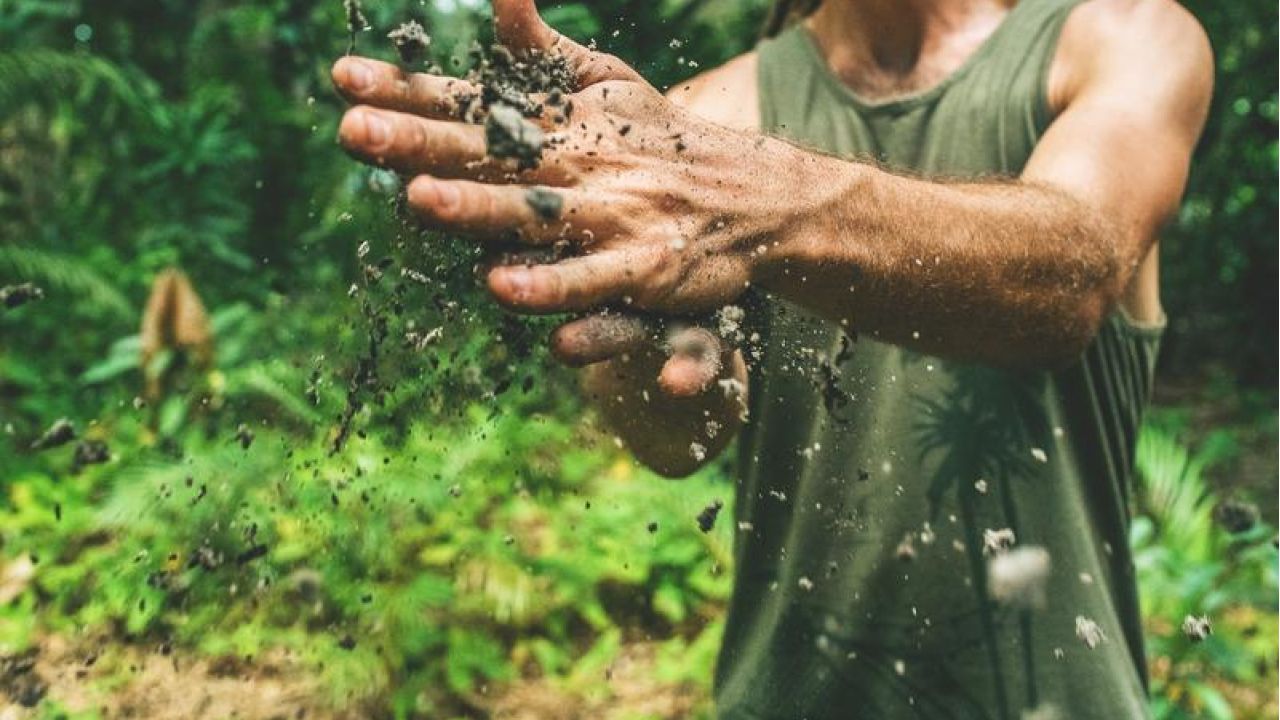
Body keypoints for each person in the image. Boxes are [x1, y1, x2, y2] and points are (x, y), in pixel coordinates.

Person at [331, 0, 1212, 716]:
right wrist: (667, 367)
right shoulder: (705, 116)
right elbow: (672, 440)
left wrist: (766, 202)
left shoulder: (1121, 37)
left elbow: (1069, 276)